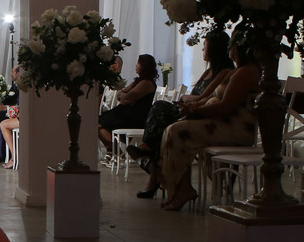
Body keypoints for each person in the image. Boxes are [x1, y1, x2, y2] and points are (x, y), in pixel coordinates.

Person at [152, 39, 260, 211]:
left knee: (178, 131)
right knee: (174, 128)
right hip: (224, 123)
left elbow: (226, 106)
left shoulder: (246, 72)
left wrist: (197, 110)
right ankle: (182, 187)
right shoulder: (238, 71)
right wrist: (196, 108)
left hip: (236, 129)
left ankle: (182, 189)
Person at [131, 30, 236, 198]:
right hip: (191, 107)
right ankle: (153, 164)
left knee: (160, 109)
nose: (203, 50)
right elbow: (196, 93)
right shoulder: (208, 71)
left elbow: (203, 96)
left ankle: (150, 156)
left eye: (205, 46)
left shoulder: (224, 71)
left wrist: (186, 98)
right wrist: (187, 99)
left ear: (214, 49)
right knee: (161, 112)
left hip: (201, 112)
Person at [98, 54, 159, 153]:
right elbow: (120, 94)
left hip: (133, 117)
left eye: (138, 64)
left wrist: (125, 95)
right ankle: (115, 152)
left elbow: (125, 98)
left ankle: (116, 153)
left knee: (99, 123)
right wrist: (124, 95)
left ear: (144, 66)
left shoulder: (147, 83)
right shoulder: (137, 81)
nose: (136, 66)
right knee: (98, 123)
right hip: (124, 112)